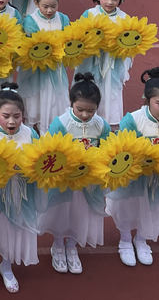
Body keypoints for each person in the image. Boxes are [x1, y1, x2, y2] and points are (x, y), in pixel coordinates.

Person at [107, 68, 159, 268]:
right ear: (147, 100)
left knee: (153, 208)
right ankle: (125, 239)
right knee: (127, 207)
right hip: (134, 178)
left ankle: (141, 239)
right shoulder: (133, 120)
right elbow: (123, 148)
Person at [41, 74, 111, 275]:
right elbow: (51, 151)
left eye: (91, 110)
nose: (85, 115)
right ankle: (58, 246)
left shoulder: (101, 125)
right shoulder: (61, 123)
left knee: (82, 214)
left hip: (88, 182)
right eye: (80, 109)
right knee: (62, 212)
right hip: (65, 180)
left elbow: (107, 149)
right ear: (71, 103)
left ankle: (71, 247)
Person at [0, 84, 38, 293]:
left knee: (14, 228)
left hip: (20, 193)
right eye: (6, 116)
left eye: (17, 116)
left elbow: (38, 163)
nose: (12, 121)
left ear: (23, 115)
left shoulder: (30, 135)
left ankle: (6, 264)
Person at [19, 0, 70, 127]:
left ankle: (54, 128)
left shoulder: (64, 19)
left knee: (55, 98)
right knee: (37, 98)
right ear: (36, 4)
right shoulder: (30, 21)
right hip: (36, 70)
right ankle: (35, 128)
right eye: (45, 6)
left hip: (57, 68)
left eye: (54, 6)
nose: (49, 10)